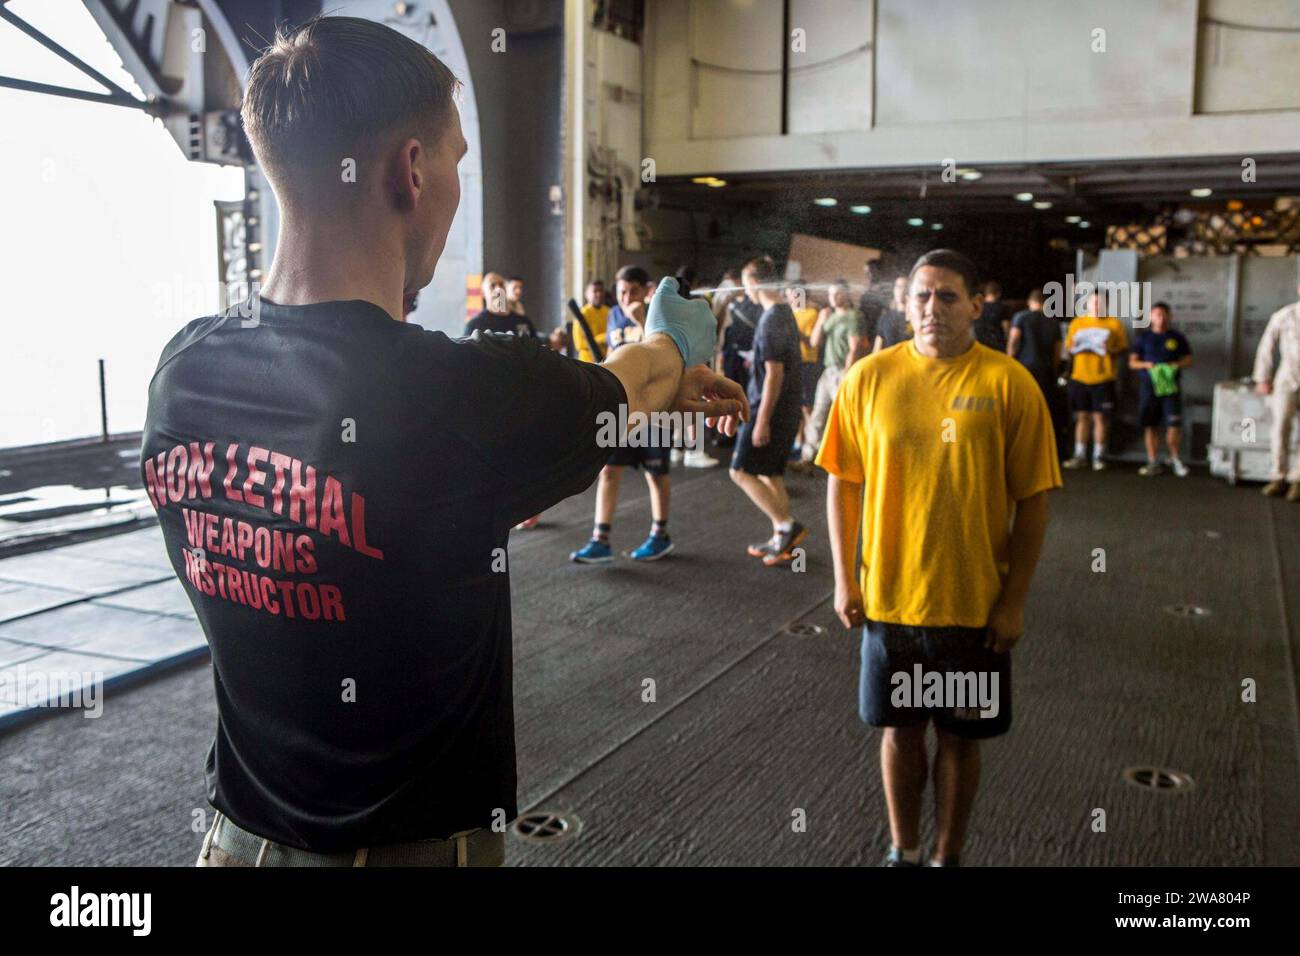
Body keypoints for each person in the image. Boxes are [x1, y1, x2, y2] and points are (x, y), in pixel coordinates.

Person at [142, 17, 745, 868]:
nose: (457, 180)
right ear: (412, 172)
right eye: (456, 160)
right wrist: (675, 342)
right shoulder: (455, 395)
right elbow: (631, 383)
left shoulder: (183, 373)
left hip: (235, 841)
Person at [818, 249, 1059, 868]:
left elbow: (1033, 501)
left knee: (959, 737)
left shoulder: (1009, 384)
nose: (932, 308)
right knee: (900, 733)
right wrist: (845, 578)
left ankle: (947, 857)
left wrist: (1014, 601)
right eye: (920, 296)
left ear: (977, 305)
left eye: (947, 296)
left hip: (973, 610)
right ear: (904, 304)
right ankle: (904, 849)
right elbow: (843, 482)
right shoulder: (869, 378)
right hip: (890, 605)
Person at [570, 265, 681, 563]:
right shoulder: (612, 315)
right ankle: (600, 539)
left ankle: (660, 535)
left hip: (655, 407)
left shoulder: (658, 316)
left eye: (632, 291)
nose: (625, 297)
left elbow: (662, 356)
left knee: (656, 473)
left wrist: (641, 320)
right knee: (608, 470)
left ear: (645, 291)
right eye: (620, 291)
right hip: (621, 407)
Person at [730, 256, 807, 565]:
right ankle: (781, 537)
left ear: (755, 282)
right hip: (784, 409)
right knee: (770, 473)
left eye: (746, 282)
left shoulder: (772, 318)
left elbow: (774, 373)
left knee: (740, 471)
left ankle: (788, 526)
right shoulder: (782, 313)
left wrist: (761, 421)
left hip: (770, 410)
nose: (745, 289)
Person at [801, 280, 868, 465]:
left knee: (844, 416)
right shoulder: (829, 315)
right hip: (828, 370)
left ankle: (847, 460)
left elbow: (854, 348)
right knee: (818, 414)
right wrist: (822, 319)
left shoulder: (854, 316)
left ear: (846, 294)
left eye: (837, 293)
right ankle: (808, 457)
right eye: (830, 294)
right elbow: (814, 342)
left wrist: (847, 375)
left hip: (842, 372)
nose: (833, 298)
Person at [1063, 290, 1129, 471]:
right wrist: (1074, 348)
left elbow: (1123, 350)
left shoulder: (1114, 324)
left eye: (1100, 303)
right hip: (1080, 377)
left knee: (1100, 417)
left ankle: (1098, 455)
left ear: (1106, 304)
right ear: (1088, 304)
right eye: (1093, 302)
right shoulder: (1078, 323)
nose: (1096, 306)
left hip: (1103, 377)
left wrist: (1109, 349)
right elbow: (1068, 349)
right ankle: (1080, 454)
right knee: (1082, 416)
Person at [1129, 301, 1193, 477]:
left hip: (1170, 388)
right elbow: (1132, 362)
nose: (1161, 318)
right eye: (1157, 315)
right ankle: (1153, 460)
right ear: (1151, 317)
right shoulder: (1143, 338)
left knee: (1174, 424)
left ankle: (1175, 458)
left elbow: (1189, 360)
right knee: (1150, 425)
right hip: (1149, 387)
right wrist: (1147, 365)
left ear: (1170, 316)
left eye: (1164, 315)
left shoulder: (1177, 338)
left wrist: (1175, 364)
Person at [1253, 282, 1300, 500]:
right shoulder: (1285, 315)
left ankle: (1297, 480)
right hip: (1287, 380)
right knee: (1280, 428)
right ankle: (1278, 476)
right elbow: (1266, 347)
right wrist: (1263, 377)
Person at [787, 279, 822, 467]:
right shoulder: (790, 312)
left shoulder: (812, 313)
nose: (790, 297)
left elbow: (812, 342)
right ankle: (798, 443)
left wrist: (797, 333)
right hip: (792, 363)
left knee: (806, 407)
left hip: (807, 363)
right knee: (796, 406)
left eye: (793, 293)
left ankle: (812, 445)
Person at [467, 272, 537, 337]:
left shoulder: (523, 322)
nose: (498, 289)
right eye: (492, 286)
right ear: (483, 293)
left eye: (501, 285)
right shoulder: (474, 326)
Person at [572, 279, 609, 363]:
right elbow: (579, 344)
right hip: (587, 362)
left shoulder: (609, 311)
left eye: (601, 291)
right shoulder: (582, 314)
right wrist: (603, 338)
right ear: (587, 295)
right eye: (595, 291)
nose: (599, 294)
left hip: (607, 360)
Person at [873, 276, 911, 352]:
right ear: (894, 290)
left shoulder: (916, 318)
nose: (902, 290)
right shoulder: (885, 318)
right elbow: (877, 348)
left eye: (905, 287)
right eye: (898, 287)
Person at [973, 280, 1008, 352]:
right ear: (998, 293)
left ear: (986, 293)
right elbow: (1006, 327)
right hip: (997, 346)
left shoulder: (978, 307)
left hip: (979, 345)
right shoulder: (1002, 308)